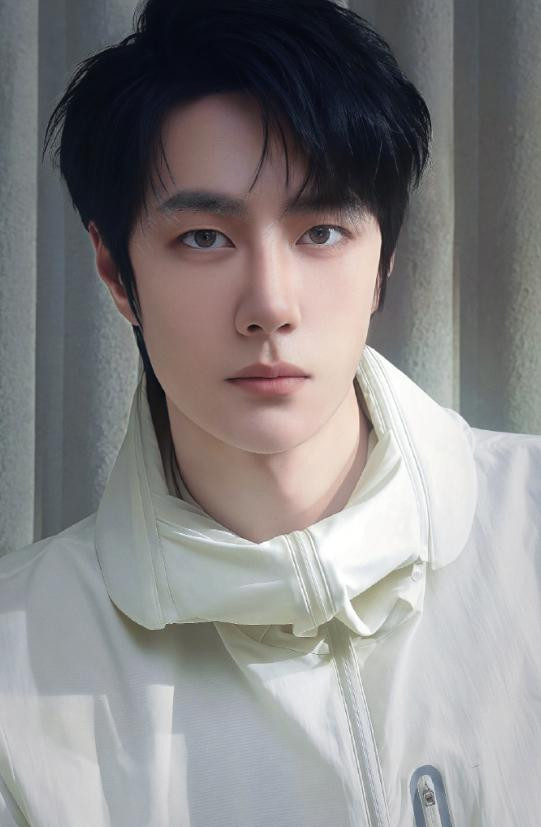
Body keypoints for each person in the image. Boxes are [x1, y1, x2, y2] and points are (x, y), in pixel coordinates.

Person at [1, 0, 540, 824]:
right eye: (204, 238)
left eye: (320, 231)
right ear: (114, 271)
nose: (269, 306)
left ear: (384, 260)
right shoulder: (17, 666)